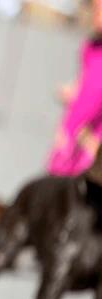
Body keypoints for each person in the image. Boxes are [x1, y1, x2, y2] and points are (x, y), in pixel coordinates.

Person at [46, 0, 102, 176]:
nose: (95, 15)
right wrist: (74, 92)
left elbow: (93, 99)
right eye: (94, 9)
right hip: (77, 144)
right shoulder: (92, 47)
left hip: (85, 153)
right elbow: (87, 88)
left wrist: (74, 133)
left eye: (99, 9)